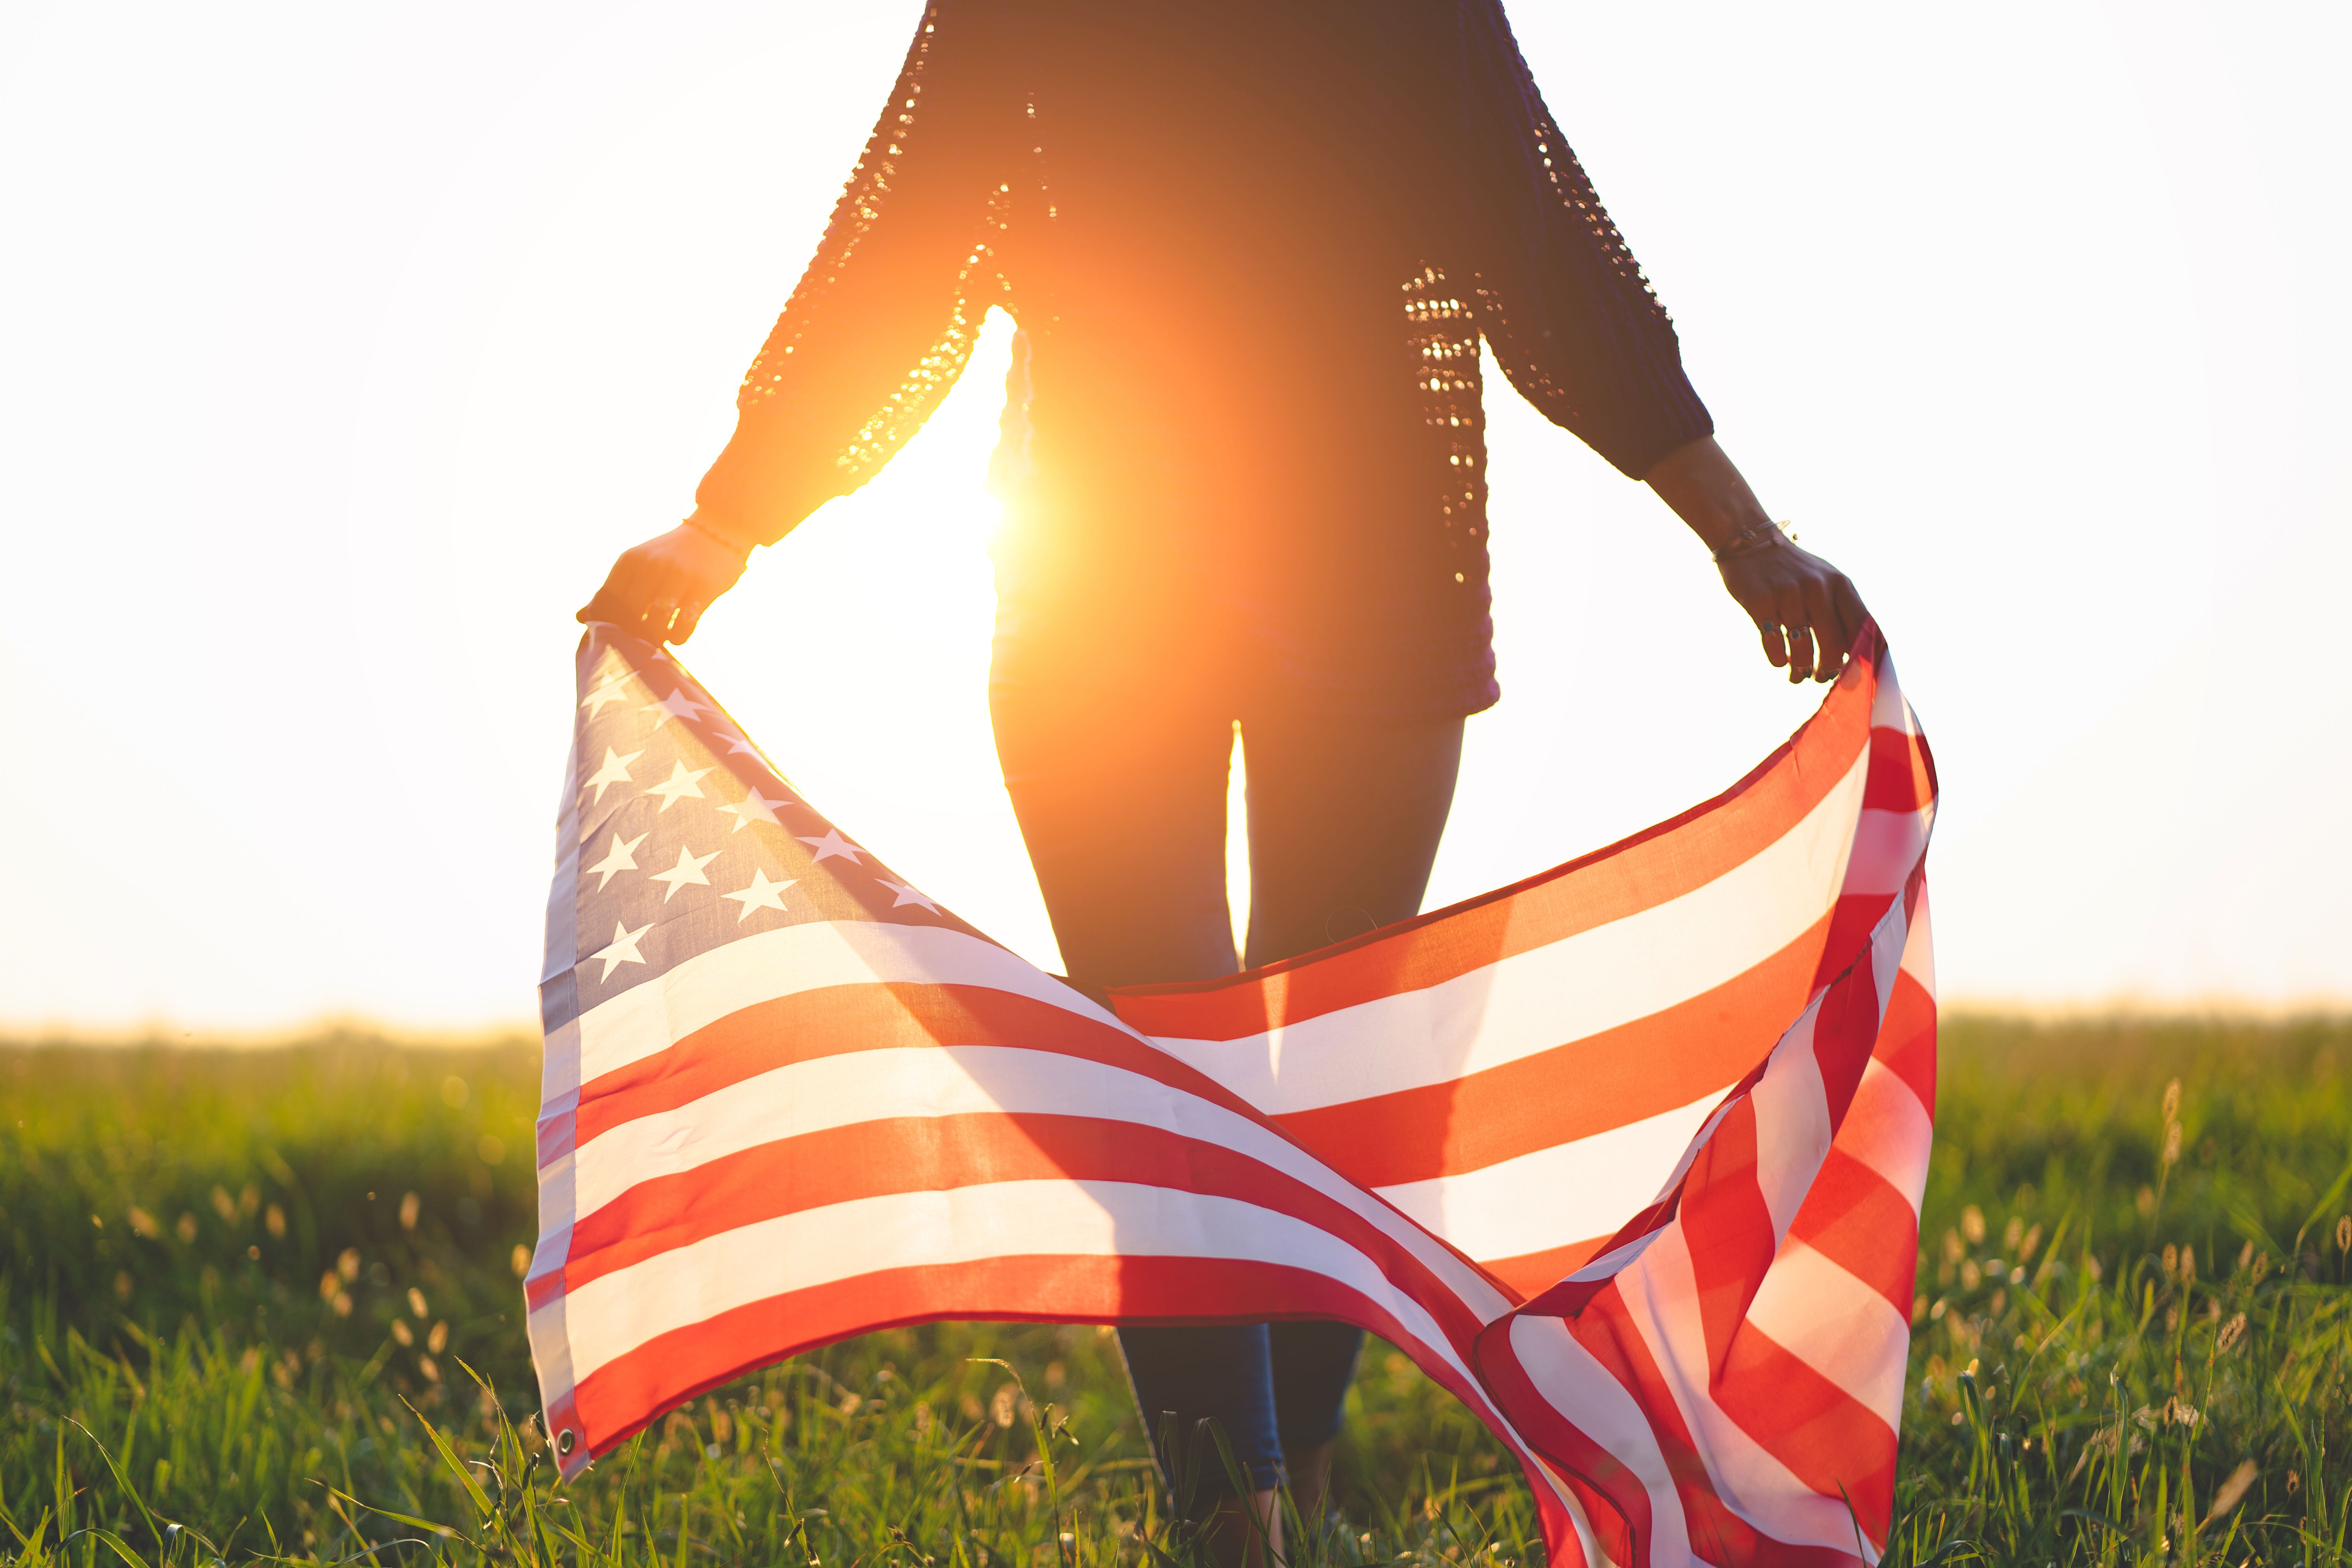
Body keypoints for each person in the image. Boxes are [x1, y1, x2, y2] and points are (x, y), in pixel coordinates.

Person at [581, 0, 1867, 1558]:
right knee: (1220, 1074)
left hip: (1308, 584)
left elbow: (1543, 262)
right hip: (1137, 587)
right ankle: (1245, 1524)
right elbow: (909, 248)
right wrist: (725, 524)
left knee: (1274, 1076)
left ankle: (1277, 1506)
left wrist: (1743, 536)